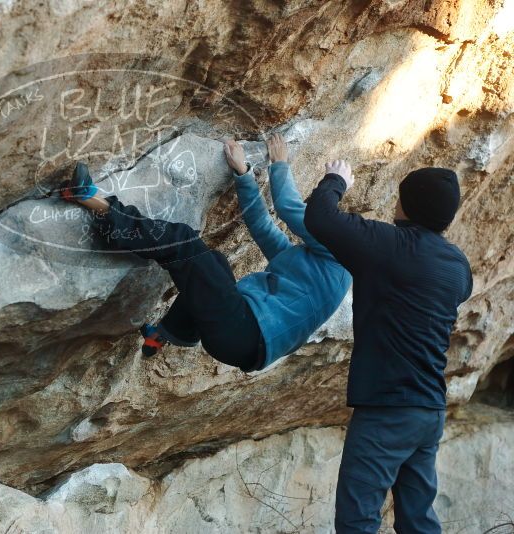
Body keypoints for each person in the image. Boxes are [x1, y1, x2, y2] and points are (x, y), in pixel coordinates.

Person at [58, 133, 351, 372]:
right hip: (241, 342)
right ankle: (164, 336)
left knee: (186, 244)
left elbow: (289, 208)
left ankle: (99, 208)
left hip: (245, 330)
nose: (314, 207)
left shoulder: (340, 253)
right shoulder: (315, 265)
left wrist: (279, 164)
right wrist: (244, 174)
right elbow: (262, 226)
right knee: (213, 267)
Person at [304, 160, 473, 532]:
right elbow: (458, 295)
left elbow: (318, 218)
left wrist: (337, 179)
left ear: (406, 205)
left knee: (357, 520)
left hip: (388, 409)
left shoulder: (389, 245)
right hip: (428, 411)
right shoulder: (458, 266)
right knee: (417, 522)